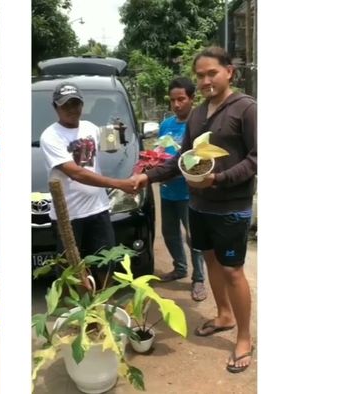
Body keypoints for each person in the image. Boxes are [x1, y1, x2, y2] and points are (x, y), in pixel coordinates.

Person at [133, 47, 256, 373]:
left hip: (231, 205)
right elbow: (181, 160)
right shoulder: (199, 114)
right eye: (200, 75)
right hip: (198, 204)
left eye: (211, 73)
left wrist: (218, 179)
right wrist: (148, 176)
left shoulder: (246, 109)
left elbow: (257, 159)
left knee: (233, 270)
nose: (205, 80)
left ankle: (244, 336)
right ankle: (224, 315)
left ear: (229, 71)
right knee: (211, 260)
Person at [40, 82, 138, 287]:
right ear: (55, 108)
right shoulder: (50, 136)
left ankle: (101, 304)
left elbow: (111, 149)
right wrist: (119, 184)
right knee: (72, 268)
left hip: (98, 209)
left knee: (106, 262)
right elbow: (76, 173)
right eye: (65, 105)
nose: (71, 109)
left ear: (82, 105)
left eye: (75, 104)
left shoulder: (90, 127)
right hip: (69, 215)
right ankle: (79, 310)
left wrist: (118, 134)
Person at [155, 77, 207, 302]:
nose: (176, 105)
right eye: (172, 100)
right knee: (169, 232)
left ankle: (199, 279)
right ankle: (180, 267)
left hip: (190, 193)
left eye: (181, 99)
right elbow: (160, 152)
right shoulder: (166, 125)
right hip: (167, 190)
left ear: (192, 99)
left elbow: (202, 159)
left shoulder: (200, 123)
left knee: (193, 237)